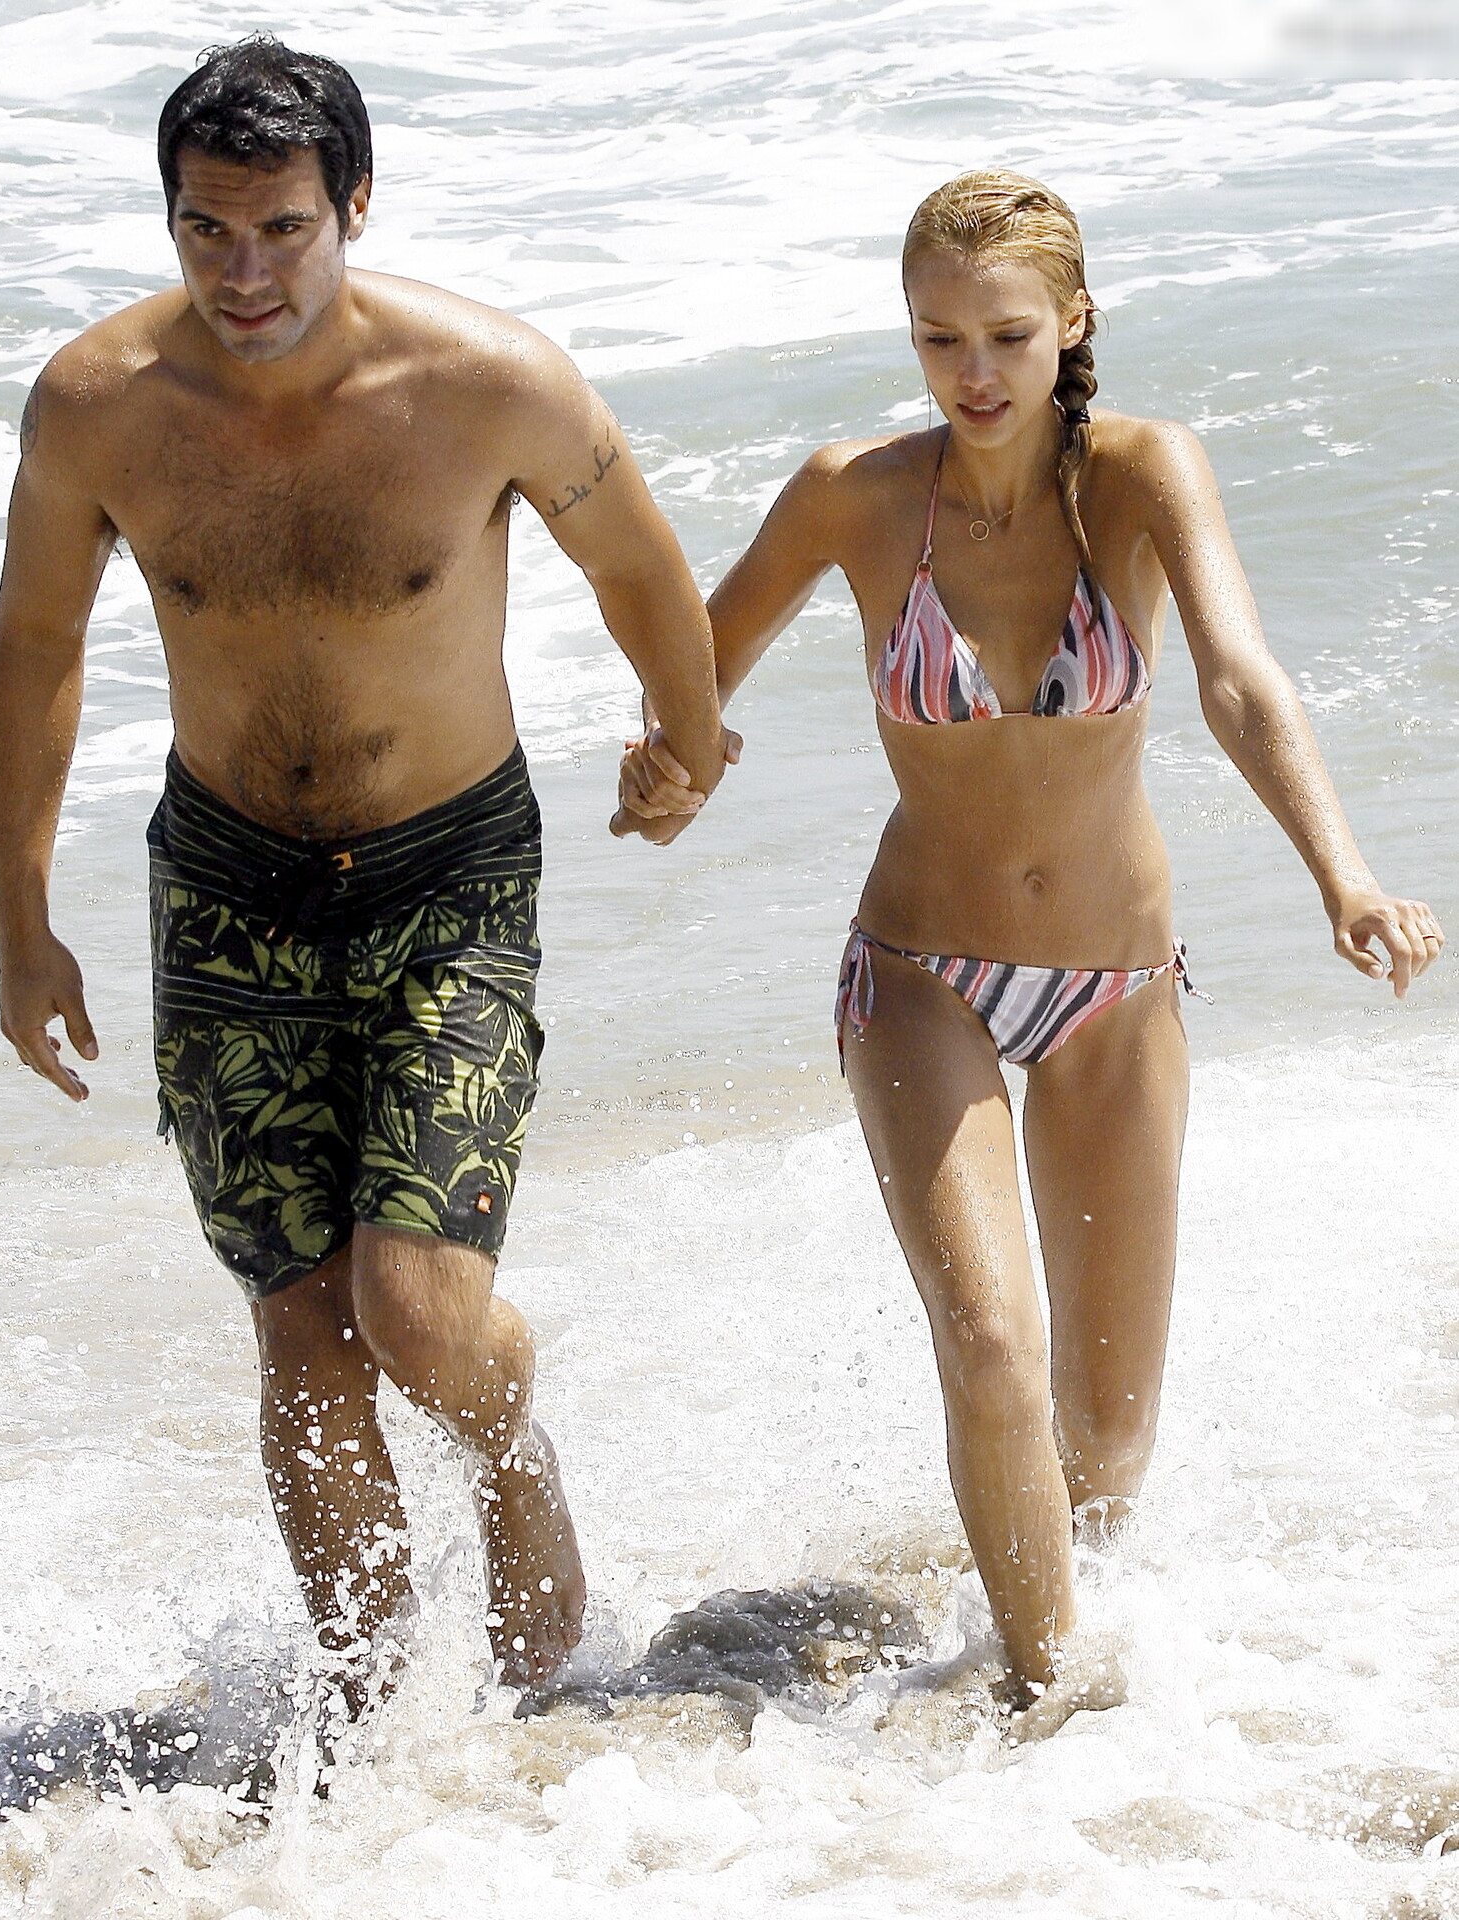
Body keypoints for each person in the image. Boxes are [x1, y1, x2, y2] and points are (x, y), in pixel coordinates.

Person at [616, 170, 1442, 1713]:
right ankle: (1042, 1708)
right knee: (990, 1341)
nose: (972, 372)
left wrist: (1343, 877)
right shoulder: (854, 494)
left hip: (1116, 988)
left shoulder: (1141, 473)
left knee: (1107, 1437)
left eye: (1004, 335)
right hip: (917, 972)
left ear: (1071, 322)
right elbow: (693, 681)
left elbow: (1239, 681)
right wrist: (667, 768)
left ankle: (1048, 1607)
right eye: (937, 339)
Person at [0, 36, 729, 1706]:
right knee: (303, 1334)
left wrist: (687, 741)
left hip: (449, 874)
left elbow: (636, 564)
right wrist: (23, 928)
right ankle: (376, 1740)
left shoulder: (490, 383)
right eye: (205, 231)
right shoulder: (99, 406)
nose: (243, 274)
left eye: (284, 231)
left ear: (356, 206)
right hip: (225, 885)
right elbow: (31, 647)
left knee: (419, 1315)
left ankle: (518, 1477)